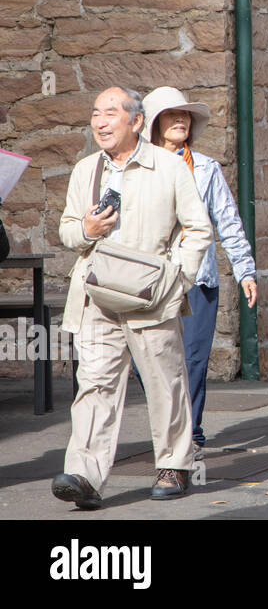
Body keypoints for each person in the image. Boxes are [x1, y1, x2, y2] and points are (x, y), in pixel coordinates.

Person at [51, 87, 212, 509]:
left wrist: (176, 280)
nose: (100, 122)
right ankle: (84, 474)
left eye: (110, 113)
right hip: (96, 295)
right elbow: (67, 231)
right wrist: (86, 228)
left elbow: (198, 230)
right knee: (95, 384)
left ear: (136, 122)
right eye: (95, 114)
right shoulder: (86, 170)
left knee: (165, 383)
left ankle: (174, 465)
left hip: (151, 296)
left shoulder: (170, 168)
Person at [142, 87, 257, 459]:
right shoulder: (137, 167)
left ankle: (190, 432)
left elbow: (228, 222)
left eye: (185, 115)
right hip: (151, 280)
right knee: (156, 360)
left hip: (198, 279)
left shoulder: (206, 168)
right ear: (154, 123)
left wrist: (245, 271)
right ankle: (171, 426)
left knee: (193, 359)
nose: (180, 120)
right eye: (171, 114)